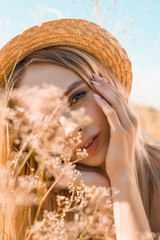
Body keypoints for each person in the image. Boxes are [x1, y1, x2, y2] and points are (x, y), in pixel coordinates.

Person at [0, 18, 160, 240]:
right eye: (46, 121)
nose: (70, 128)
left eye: (77, 97)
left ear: (109, 88)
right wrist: (107, 198)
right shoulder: (40, 220)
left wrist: (122, 179)